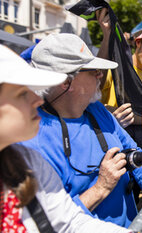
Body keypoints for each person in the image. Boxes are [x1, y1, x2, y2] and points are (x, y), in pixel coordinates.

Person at [20, 33, 142, 228]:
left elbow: (131, 149)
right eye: (93, 70)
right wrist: (101, 187)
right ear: (65, 82)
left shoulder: (98, 109)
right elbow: (48, 221)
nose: (100, 74)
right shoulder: (33, 141)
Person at [0, 45, 130, 232]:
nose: (37, 100)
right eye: (22, 93)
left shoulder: (25, 159)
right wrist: (100, 188)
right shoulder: (31, 150)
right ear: (66, 83)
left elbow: (67, 220)